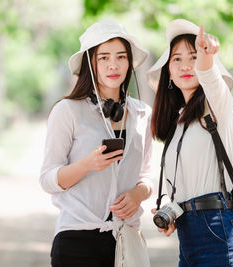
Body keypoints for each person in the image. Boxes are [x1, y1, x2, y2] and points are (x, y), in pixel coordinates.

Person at [40, 19, 153, 267]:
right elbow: (47, 179)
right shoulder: (67, 111)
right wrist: (87, 164)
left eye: (121, 57)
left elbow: (146, 175)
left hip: (127, 241)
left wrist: (139, 193)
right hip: (77, 242)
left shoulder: (143, 113)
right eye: (104, 57)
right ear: (91, 63)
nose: (113, 65)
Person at [148, 19, 233, 266]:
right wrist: (169, 212)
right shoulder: (178, 123)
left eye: (192, 57)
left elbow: (210, 77)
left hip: (219, 231)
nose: (186, 66)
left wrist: (206, 56)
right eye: (177, 59)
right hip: (188, 236)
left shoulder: (217, 104)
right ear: (168, 72)